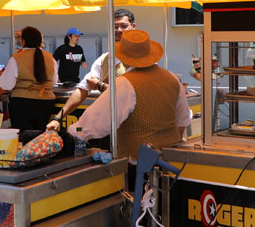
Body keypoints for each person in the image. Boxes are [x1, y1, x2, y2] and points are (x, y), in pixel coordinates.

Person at [69, 29, 191, 162]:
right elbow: (184, 118)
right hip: (170, 156)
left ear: (122, 58)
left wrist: (75, 133)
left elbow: (96, 121)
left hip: (137, 160)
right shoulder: (171, 78)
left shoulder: (125, 83)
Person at [46, 8, 137, 133]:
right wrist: (58, 118)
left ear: (133, 26)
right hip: (108, 124)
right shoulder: (105, 59)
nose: (119, 30)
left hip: (135, 124)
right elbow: (83, 89)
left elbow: (134, 94)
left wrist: (100, 85)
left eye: (123, 26)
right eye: (115, 26)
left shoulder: (144, 59)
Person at [0, 26, 59, 130]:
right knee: (40, 136)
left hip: (22, 102)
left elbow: (6, 85)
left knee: (23, 136)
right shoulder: (50, 57)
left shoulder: (16, 58)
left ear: (23, 41)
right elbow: (53, 82)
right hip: (46, 102)